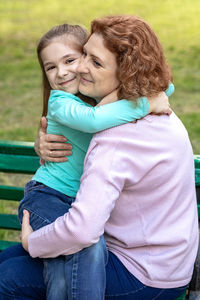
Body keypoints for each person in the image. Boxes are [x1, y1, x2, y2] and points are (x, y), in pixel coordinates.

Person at [0, 15, 197, 300]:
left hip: (142, 271)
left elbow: (82, 232)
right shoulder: (151, 108)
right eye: (85, 56)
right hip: (162, 260)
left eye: (94, 61)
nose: (79, 68)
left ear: (126, 72)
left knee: (8, 278)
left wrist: (33, 243)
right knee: (7, 263)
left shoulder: (115, 136)